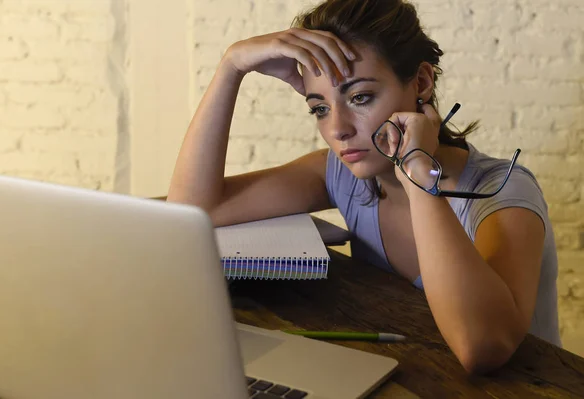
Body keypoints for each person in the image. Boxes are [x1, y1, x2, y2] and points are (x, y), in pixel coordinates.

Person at [166, 0, 561, 374]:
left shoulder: (503, 195)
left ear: (421, 82)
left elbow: (481, 347)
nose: (337, 129)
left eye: (360, 97)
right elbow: (194, 208)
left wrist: (418, 173)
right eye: (319, 107)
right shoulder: (343, 175)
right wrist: (231, 66)